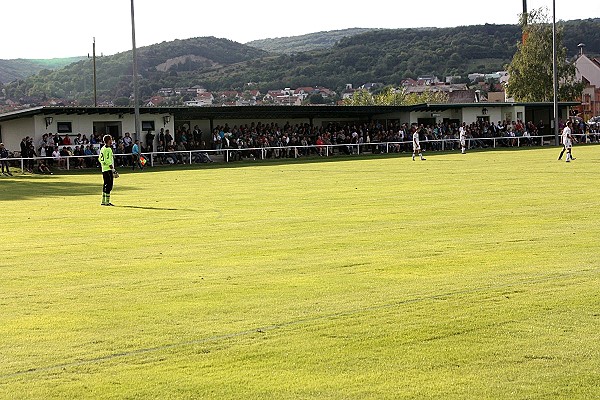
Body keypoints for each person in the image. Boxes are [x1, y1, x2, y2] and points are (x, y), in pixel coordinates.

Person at [98, 135, 118, 206]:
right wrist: (113, 169)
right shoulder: (108, 149)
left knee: (105, 184)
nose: (112, 140)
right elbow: (108, 160)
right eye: (111, 139)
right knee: (109, 185)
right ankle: (107, 202)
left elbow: (100, 158)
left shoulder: (102, 148)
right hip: (108, 169)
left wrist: (103, 165)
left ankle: (103, 201)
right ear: (109, 140)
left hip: (104, 169)